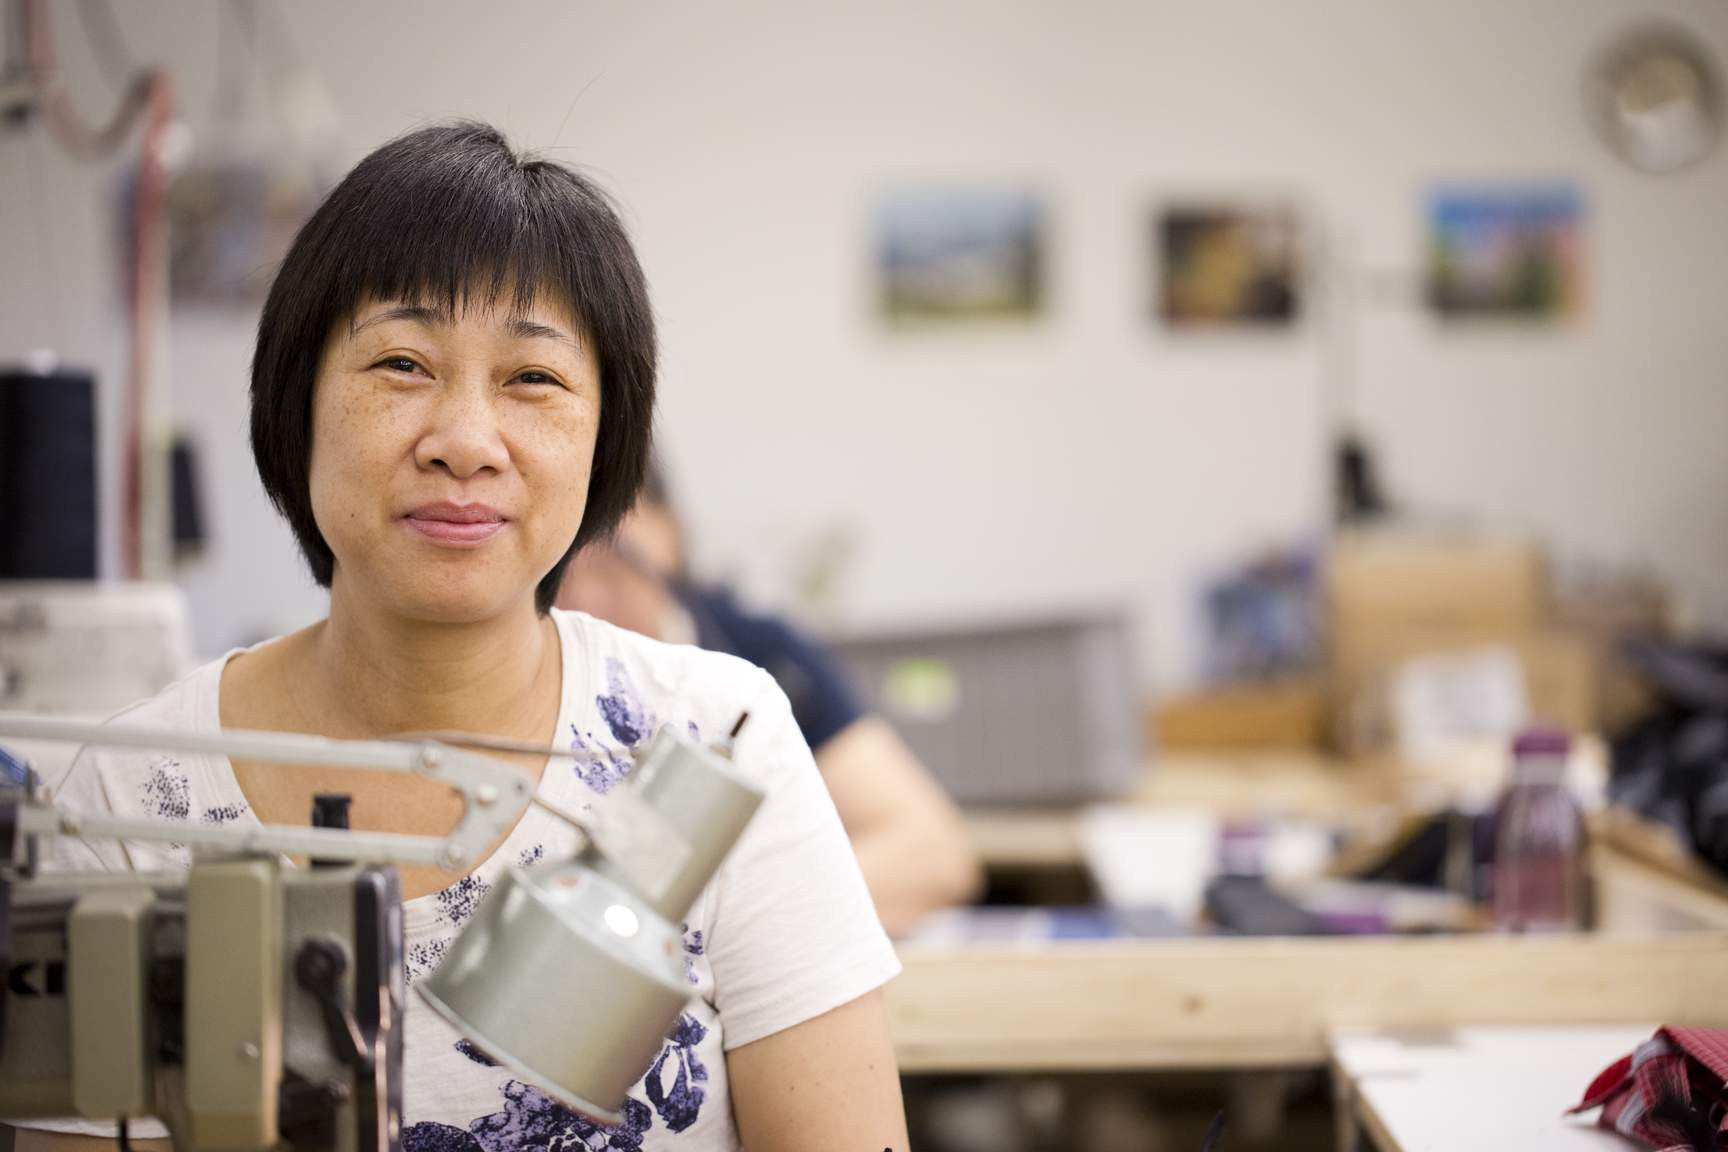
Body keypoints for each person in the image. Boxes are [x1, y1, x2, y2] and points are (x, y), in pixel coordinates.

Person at [20, 122, 907, 1152]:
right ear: (296, 403)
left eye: (533, 380)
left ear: (605, 438)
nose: (466, 444)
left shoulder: (714, 744)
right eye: (403, 363)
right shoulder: (127, 806)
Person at [558, 469, 982, 937]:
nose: (583, 597)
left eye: (614, 561)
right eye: (558, 569)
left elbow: (932, 853)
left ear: (669, 530)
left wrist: (735, 927)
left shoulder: (764, 659)